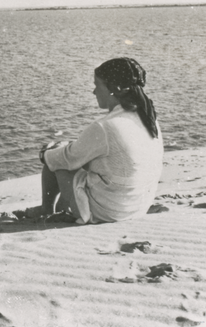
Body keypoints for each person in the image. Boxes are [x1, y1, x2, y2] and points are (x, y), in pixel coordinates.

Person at [30, 57, 164, 225]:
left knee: (57, 154)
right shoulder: (149, 119)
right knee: (78, 155)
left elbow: (66, 158)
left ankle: (47, 209)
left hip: (109, 211)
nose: (94, 92)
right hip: (137, 206)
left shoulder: (105, 127)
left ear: (113, 89)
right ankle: (61, 209)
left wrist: (44, 154)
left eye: (97, 85)